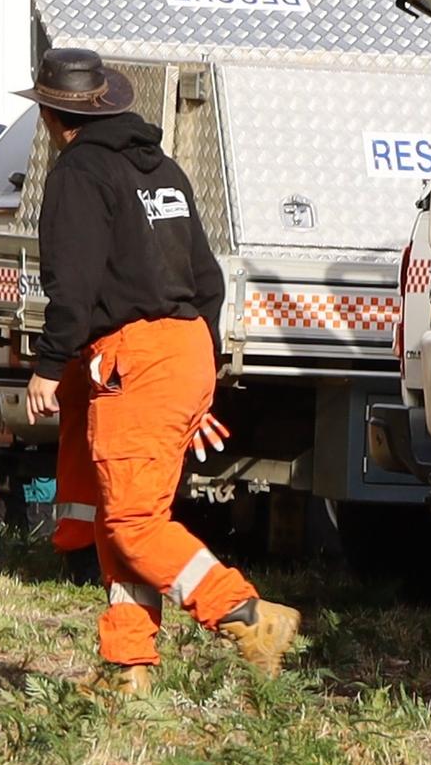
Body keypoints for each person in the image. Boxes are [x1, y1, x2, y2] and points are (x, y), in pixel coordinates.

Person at [18, 49, 300, 692]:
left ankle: (246, 614)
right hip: (188, 348)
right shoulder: (164, 169)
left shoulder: (78, 174)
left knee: (130, 523)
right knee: (124, 514)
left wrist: (47, 365)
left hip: (133, 359)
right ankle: (128, 666)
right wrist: (193, 376)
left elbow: (75, 284)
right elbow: (207, 280)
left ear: (56, 117)